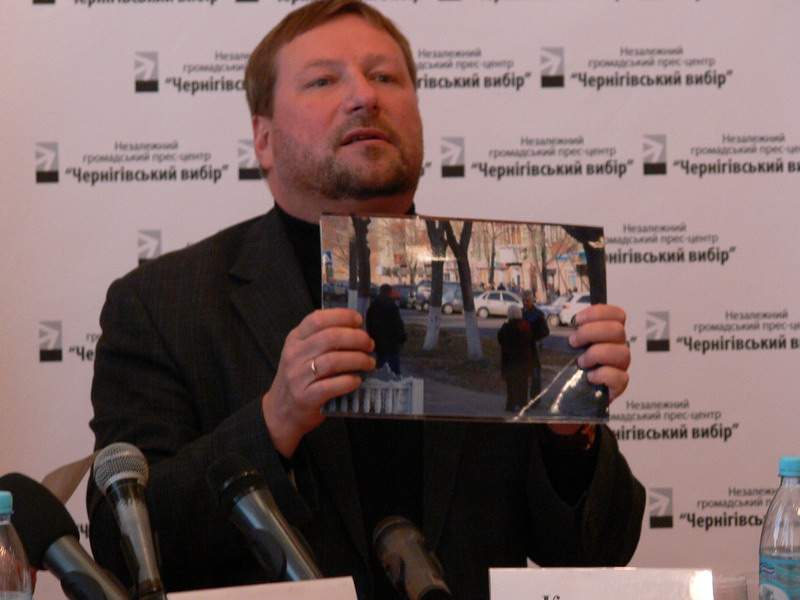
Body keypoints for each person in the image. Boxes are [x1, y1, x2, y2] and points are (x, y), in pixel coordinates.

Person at [86, 2, 644, 599]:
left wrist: (569, 432)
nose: (364, 96)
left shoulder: (503, 289)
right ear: (263, 140)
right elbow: (124, 548)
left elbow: (596, 552)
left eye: (384, 76)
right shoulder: (161, 305)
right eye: (323, 81)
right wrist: (274, 422)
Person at [497, 305, 535, 411]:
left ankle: (511, 405)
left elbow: (500, 340)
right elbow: (531, 341)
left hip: (510, 361)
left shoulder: (506, 328)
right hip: (524, 360)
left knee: (511, 384)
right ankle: (523, 404)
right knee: (523, 384)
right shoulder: (525, 326)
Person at [365, 283, 406, 374]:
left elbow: (369, 325)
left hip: (378, 343)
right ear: (389, 293)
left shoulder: (373, 306)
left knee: (379, 368)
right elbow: (397, 325)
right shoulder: (392, 306)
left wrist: (372, 339)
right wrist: (402, 338)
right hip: (392, 343)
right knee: (394, 370)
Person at [521, 289, 550, 397]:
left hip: (534, 349)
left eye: (527, 301)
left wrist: (532, 336)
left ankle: (535, 398)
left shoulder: (538, 314)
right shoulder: (520, 313)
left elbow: (545, 331)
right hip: (521, 349)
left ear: (533, 300)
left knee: (535, 374)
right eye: (523, 301)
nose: (525, 303)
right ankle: (522, 398)